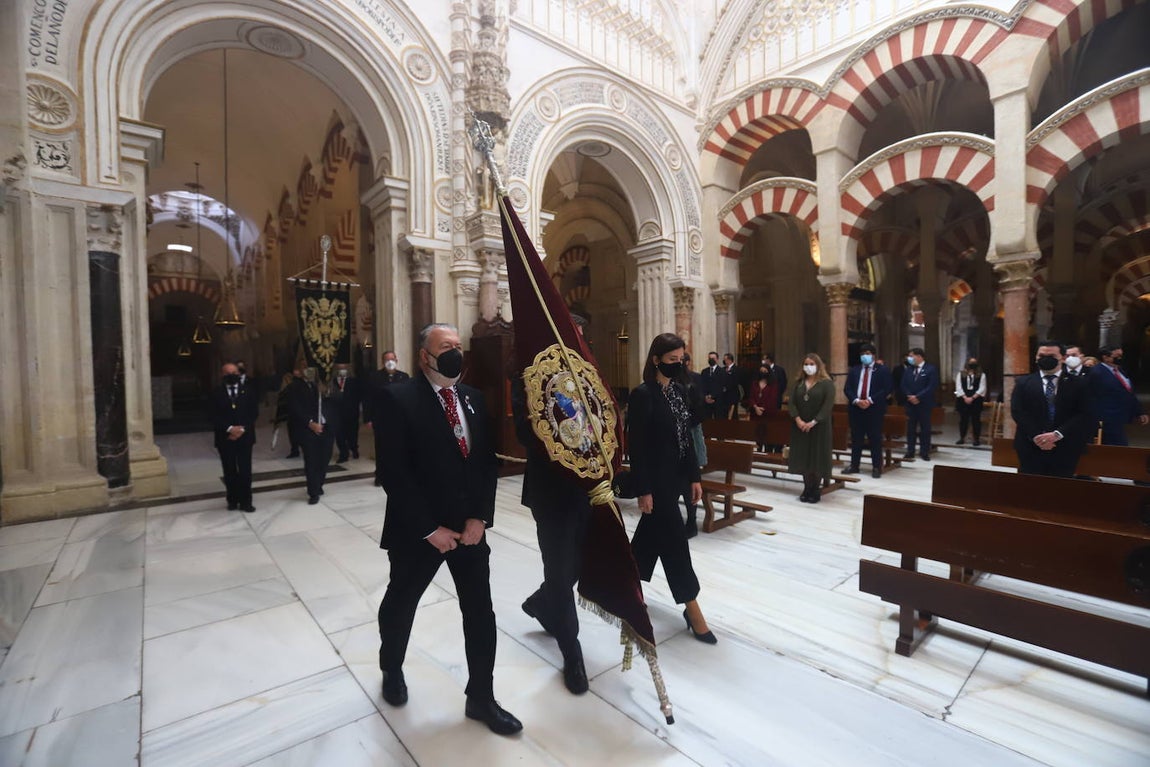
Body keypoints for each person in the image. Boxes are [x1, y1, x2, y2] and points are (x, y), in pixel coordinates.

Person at [375, 323, 521, 736]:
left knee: (480, 612)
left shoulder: (473, 399)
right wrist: (428, 529)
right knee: (400, 604)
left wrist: (480, 517)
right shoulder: (397, 398)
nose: (455, 354)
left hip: (470, 532)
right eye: (446, 347)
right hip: (419, 532)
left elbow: (484, 465)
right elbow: (394, 474)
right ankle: (392, 667)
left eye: (458, 347)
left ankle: (481, 697)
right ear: (425, 356)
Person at [627, 333, 715, 644]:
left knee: (650, 538)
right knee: (676, 541)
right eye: (672, 360)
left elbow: (686, 438)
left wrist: (694, 478)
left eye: (681, 360)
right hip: (656, 481)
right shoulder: (643, 395)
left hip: (677, 477)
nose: (678, 365)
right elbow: (635, 448)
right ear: (656, 360)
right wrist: (644, 489)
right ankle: (692, 607)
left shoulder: (678, 391)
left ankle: (626, 586)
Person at [512, 372, 591, 696]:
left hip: (584, 487)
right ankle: (571, 653)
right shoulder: (529, 377)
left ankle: (541, 602)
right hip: (549, 493)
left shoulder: (582, 375)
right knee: (559, 572)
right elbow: (524, 433)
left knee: (581, 563)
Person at [1012, 341, 1092, 477]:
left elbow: (1084, 413)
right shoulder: (1023, 383)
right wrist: (1037, 436)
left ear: (1063, 358)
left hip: (1065, 445)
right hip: (1031, 446)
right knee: (1029, 491)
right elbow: (1018, 412)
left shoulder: (1079, 383)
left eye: (1051, 356)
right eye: (1041, 355)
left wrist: (1057, 434)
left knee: (1059, 491)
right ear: (1036, 357)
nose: (1045, 359)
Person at [787, 353, 835, 503]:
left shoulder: (826, 383)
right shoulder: (798, 383)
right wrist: (798, 419)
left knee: (817, 457)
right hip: (800, 426)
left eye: (812, 364)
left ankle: (815, 489)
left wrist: (814, 421)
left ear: (818, 365)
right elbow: (792, 403)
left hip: (819, 427)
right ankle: (807, 487)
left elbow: (827, 406)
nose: (809, 367)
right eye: (806, 364)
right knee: (804, 457)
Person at [211, 361, 258, 512]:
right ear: (222, 375)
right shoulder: (216, 393)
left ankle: (246, 501)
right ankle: (232, 499)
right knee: (229, 470)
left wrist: (241, 429)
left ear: (238, 374)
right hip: (225, 438)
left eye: (234, 373)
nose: (231, 376)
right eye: (228, 373)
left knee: (245, 470)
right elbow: (212, 415)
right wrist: (230, 429)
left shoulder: (249, 391)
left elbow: (253, 413)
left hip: (245, 437)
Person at [843, 343, 892, 478]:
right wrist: (857, 400)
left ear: (873, 355)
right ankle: (854, 465)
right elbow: (847, 389)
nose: (865, 356)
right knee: (856, 438)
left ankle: (876, 466)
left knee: (874, 438)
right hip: (856, 408)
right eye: (863, 354)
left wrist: (870, 400)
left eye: (868, 353)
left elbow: (886, 389)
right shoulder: (855, 370)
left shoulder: (882, 370)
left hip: (874, 409)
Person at [289, 367, 335, 504]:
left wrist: (327, 391)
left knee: (325, 458)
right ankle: (313, 491)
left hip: (327, 428)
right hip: (308, 429)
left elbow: (337, 402)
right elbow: (294, 408)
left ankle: (319, 483)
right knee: (311, 460)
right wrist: (310, 423)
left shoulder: (325, 384)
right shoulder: (295, 387)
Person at [365, 350, 411, 486]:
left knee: (399, 447)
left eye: (392, 359)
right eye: (387, 359)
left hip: (399, 419)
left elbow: (408, 398)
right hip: (381, 419)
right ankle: (380, 475)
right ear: (383, 362)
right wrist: (368, 418)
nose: (390, 362)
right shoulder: (374, 377)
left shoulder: (404, 377)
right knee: (381, 448)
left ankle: (398, 474)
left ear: (396, 360)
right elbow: (369, 399)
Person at [1089, 345, 1148, 446]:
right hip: (1106, 418)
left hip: (1119, 417)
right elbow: (1091, 395)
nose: (1120, 358)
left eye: (1121, 355)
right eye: (1117, 356)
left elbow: (1128, 392)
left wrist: (1140, 412)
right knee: (1118, 445)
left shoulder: (1120, 370)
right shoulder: (1096, 373)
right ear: (1105, 357)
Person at [900, 347, 938, 461]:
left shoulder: (931, 369)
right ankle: (910, 451)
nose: (909, 358)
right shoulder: (909, 369)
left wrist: (918, 397)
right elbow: (903, 384)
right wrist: (909, 396)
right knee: (910, 428)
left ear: (919, 356)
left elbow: (931, 386)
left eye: (912, 356)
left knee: (925, 429)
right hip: (910, 403)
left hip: (924, 403)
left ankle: (924, 451)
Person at [330, 363, 363, 463]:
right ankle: (343, 453)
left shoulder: (354, 381)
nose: (342, 370)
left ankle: (354, 448)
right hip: (337, 412)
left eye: (344, 368)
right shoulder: (333, 382)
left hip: (351, 412)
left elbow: (359, 396)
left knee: (352, 433)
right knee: (339, 434)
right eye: (340, 368)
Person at [745, 362, 779, 452]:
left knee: (768, 435)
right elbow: (751, 397)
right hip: (755, 414)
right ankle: (759, 451)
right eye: (761, 371)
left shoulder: (773, 384)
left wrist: (762, 408)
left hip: (768, 414)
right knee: (757, 435)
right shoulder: (754, 383)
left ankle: (768, 451)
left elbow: (772, 398)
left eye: (765, 371)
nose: (763, 372)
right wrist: (755, 407)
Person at [954, 357, 987, 446]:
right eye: (970, 362)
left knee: (976, 420)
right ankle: (962, 437)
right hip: (963, 400)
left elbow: (982, 388)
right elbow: (958, 387)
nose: (972, 364)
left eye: (974, 362)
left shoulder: (982, 375)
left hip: (976, 400)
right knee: (963, 420)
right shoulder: (961, 374)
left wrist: (972, 398)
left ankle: (976, 439)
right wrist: (965, 397)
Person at [274, 369, 303, 458]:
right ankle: (298, 450)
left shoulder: (289, 388)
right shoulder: (302, 385)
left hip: (294, 415)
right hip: (298, 414)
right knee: (299, 433)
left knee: (294, 433)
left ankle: (295, 450)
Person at [699, 351, 726, 419]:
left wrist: (712, 396)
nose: (711, 360)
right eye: (710, 358)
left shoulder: (722, 371)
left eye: (713, 358)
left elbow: (721, 386)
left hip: (718, 401)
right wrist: (705, 397)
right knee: (707, 423)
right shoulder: (704, 371)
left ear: (717, 359)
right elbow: (702, 385)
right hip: (706, 402)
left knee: (718, 423)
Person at [721, 352, 742, 420]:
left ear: (729, 360)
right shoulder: (723, 369)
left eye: (725, 359)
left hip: (733, 396)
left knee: (733, 416)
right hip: (724, 397)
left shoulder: (737, 369)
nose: (724, 361)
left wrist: (726, 388)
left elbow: (735, 382)